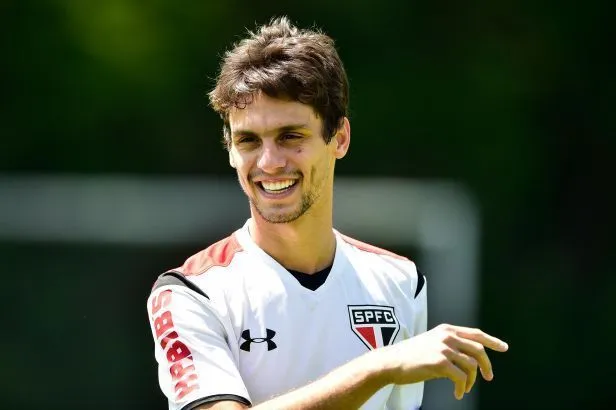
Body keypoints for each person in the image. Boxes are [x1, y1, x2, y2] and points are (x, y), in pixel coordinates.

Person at [146, 16, 508, 410]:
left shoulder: (400, 283)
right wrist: (375, 368)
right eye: (248, 140)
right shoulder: (190, 293)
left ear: (339, 138)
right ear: (231, 150)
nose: (269, 162)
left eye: (290, 136)